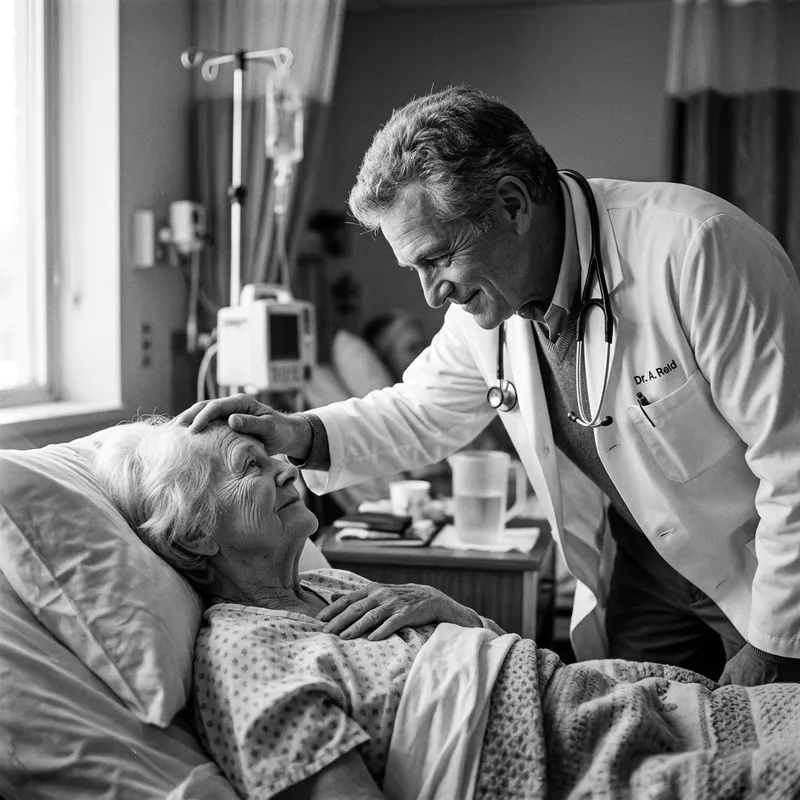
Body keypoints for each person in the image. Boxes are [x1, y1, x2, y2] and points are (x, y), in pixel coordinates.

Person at [176, 85, 800, 687]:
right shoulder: (490, 311)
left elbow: (793, 461)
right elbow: (421, 410)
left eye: (437, 258)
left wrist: (774, 645)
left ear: (511, 204)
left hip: (761, 567)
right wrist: (300, 434)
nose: (431, 293)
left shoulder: (697, 250)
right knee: (648, 733)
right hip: (643, 565)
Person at [92, 417, 800, 800]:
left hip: (621, 703)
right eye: (249, 467)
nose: (284, 465)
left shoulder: (330, 589)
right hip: (572, 767)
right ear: (195, 533)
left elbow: (503, 659)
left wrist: (450, 611)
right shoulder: (243, 650)